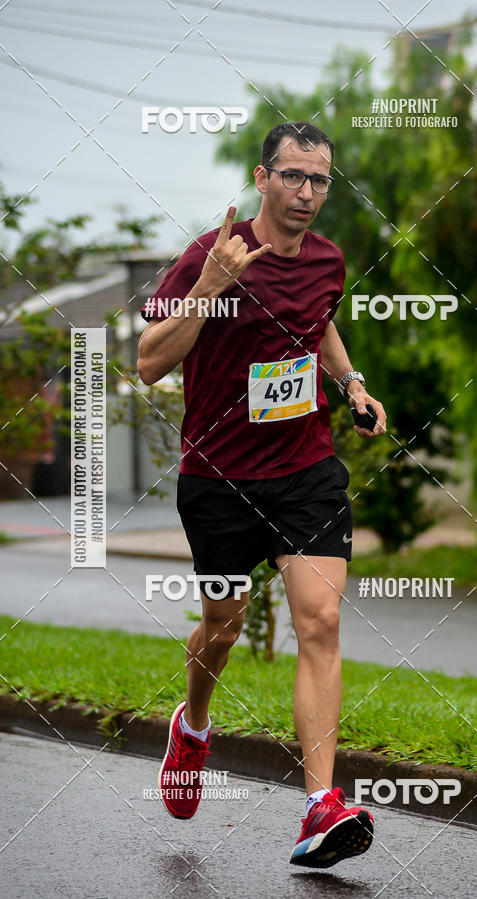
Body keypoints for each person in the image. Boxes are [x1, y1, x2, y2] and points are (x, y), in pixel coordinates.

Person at [137, 121, 387, 868]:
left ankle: (319, 805)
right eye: (294, 177)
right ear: (262, 177)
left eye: (320, 180)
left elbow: (321, 323)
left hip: (305, 467)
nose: (307, 193)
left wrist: (352, 384)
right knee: (224, 623)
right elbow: (149, 362)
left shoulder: (329, 260)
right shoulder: (210, 255)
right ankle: (195, 726)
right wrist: (211, 288)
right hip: (217, 477)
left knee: (321, 618)